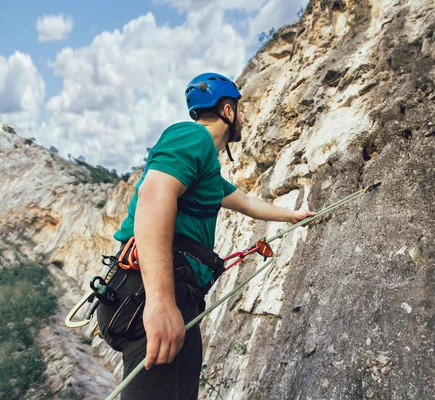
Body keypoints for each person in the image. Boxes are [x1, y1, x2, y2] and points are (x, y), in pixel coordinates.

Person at [97, 72, 314, 399]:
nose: (243, 117)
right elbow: (155, 196)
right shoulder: (192, 136)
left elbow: (248, 203)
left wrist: (294, 216)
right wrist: (160, 302)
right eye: (240, 110)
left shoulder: (205, 172)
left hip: (147, 290)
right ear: (228, 111)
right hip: (153, 291)